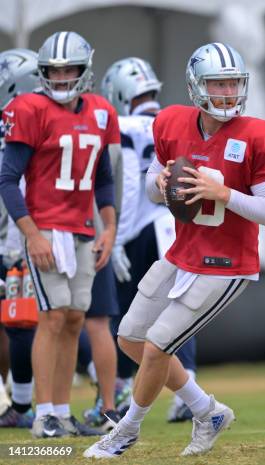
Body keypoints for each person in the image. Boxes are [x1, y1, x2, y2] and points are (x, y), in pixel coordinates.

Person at [84, 42, 265, 458]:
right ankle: (206, 410)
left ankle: (126, 430)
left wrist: (224, 193)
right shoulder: (172, 122)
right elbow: (150, 183)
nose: (228, 92)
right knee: (130, 338)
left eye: (234, 83)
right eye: (218, 83)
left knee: (158, 345)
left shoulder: (259, 135)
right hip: (182, 253)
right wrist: (159, 186)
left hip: (228, 264)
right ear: (196, 86)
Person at [0, 31, 120, 438]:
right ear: (43, 72)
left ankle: (63, 413)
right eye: (54, 70)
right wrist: (31, 234)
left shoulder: (102, 112)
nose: (63, 76)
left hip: (84, 228)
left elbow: (103, 178)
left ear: (85, 70)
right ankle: (45, 413)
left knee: (73, 319)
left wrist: (111, 227)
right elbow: (6, 179)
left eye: (70, 69)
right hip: (46, 226)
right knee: (51, 318)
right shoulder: (30, 108)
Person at [99, 57, 198, 423]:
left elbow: (124, 184)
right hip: (173, 225)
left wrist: (118, 237)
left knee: (127, 317)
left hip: (139, 230)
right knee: (180, 310)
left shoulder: (123, 125)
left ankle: (125, 386)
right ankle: (184, 389)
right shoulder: (172, 121)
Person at [0, 48, 41, 428]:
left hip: (19, 234)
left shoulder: (26, 120)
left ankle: (26, 405)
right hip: (18, 233)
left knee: (21, 321)